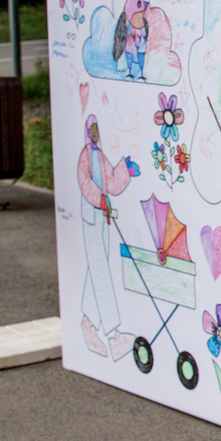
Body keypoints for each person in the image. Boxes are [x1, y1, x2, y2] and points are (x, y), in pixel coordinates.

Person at [77, 117, 137, 359]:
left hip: (103, 218)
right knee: (100, 271)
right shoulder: (85, 156)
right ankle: (113, 335)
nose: (94, 133)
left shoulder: (100, 156)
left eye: (96, 130)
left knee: (96, 270)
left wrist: (125, 170)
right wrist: (99, 199)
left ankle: (89, 324)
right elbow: (85, 183)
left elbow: (110, 180)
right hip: (91, 217)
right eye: (91, 129)